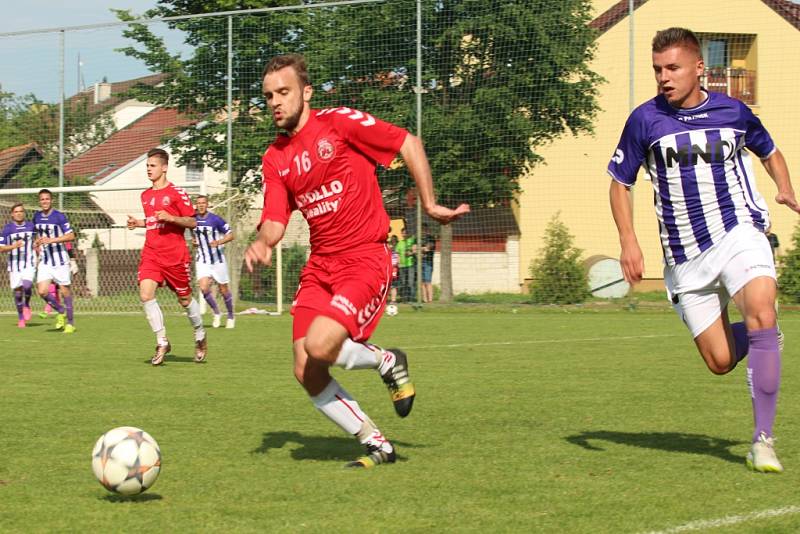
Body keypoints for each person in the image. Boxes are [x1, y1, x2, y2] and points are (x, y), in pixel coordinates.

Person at [245, 53, 469, 468]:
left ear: (306, 92)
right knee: (305, 369)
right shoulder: (275, 157)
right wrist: (261, 243)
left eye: (283, 92)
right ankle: (376, 442)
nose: (275, 102)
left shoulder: (339, 124)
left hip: (366, 258)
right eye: (268, 96)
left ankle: (386, 359)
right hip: (321, 266)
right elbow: (274, 221)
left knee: (320, 345)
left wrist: (430, 202)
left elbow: (408, 143)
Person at [608, 27, 798, 473]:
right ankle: (759, 341)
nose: (664, 77)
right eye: (657, 69)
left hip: (738, 232)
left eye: (672, 68)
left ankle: (763, 440)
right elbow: (620, 182)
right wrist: (628, 241)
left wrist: (785, 188)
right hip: (684, 256)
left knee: (761, 310)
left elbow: (769, 151)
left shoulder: (734, 111)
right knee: (719, 361)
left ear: (699, 68)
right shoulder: (644, 120)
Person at [127, 148, 208, 365]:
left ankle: (200, 334)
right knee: (145, 295)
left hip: (175, 256)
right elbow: (155, 221)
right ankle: (162, 341)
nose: (148, 169)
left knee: (184, 299)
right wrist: (139, 223)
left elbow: (192, 222)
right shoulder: (145, 195)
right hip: (152, 254)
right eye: (147, 166)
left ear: (164, 167)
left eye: (152, 166)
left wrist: (171, 217)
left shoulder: (177, 193)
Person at [33, 189, 76, 333]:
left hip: (60, 260)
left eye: (47, 199)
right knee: (42, 291)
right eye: (42, 199)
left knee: (65, 292)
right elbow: (37, 235)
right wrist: (37, 242)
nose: (44, 201)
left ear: (51, 201)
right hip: (45, 260)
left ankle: (70, 323)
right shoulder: (36, 216)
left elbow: (71, 236)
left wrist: (52, 240)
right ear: (39, 201)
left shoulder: (59, 216)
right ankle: (60, 310)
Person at [193, 195, 236, 329]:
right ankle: (217, 313)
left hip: (217, 260)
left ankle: (230, 316)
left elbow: (231, 235)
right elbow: (194, 237)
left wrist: (219, 242)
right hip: (203, 260)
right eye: (198, 203)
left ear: (207, 205)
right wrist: (195, 242)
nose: (201, 205)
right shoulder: (192, 220)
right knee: (204, 288)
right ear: (196, 205)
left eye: (203, 203)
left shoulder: (215, 219)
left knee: (223, 290)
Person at [0, 203, 36, 327]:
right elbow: (1, 248)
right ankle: (21, 317)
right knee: (18, 292)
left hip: (29, 263)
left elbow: (37, 239)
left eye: (21, 211)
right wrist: (13, 246)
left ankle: (27, 305)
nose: (19, 213)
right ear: (12, 214)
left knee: (27, 285)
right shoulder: (7, 229)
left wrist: (37, 245)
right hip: (15, 265)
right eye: (16, 211)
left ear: (24, 213)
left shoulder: (31, 226)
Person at [395, 226, 416, 302]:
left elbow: (414, 250)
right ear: (401, 234)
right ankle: (404, 298)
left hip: (410, 265)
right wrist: (397, 263)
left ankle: (412, 298)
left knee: (410, 282)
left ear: (408, 233)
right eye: (403, 233)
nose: (404, 234)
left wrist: (410, 253)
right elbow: (397, 254)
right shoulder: (399, 243)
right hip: (402, 266)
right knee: (403, 282)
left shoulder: (411, 240)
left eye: (406, 233)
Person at [420, 225, 436, 303]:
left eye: (424, 229)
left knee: (428, 281)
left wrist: (421, 249)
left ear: (427, 229)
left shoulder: (431, 238)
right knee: (422, 282)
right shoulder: (419, 238)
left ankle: (430, 300)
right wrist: (421, 249)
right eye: (421, 229)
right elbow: (415, 248)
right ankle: (424, 300)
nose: (423, 231)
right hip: (420, 262)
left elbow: (428, 248)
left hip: (428, 262)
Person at [388, 234, 399, 306]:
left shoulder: (397, 249)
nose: (393, 242)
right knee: (388, 285)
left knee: (393, 285)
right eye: (392, 241)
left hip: (394, 268)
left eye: (394, 241)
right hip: (388, 268)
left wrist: (396, 264)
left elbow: (398, 259)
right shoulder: (388, 248)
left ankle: (393, 300)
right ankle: (390, 299)